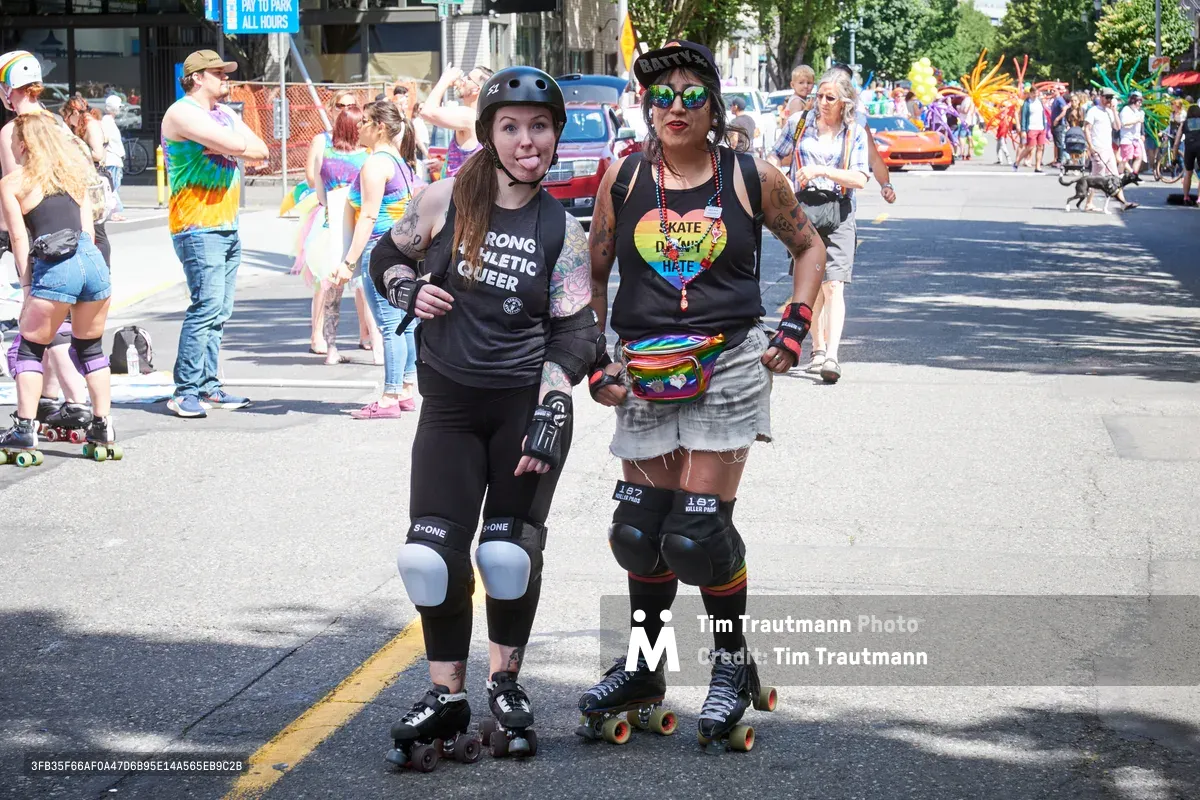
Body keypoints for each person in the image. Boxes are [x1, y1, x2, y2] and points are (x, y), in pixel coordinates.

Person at [579, 40, 826, 749]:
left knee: (694, 532)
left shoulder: (750, 175)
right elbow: (592, 275)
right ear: (646, 107)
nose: (675, 107)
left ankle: (728, 665)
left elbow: (807, 247)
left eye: (691, 94)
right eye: (662, 96)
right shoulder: (623, 179)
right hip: (642, 371)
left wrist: (796, 322)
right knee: (639, 533)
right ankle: (645, 670)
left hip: (728, 365)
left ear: (714, 106)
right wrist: (597, 358)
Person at [367, 66, 595, 760]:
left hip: (524, 411)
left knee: (504, 554)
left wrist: (553, 408)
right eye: (512, 126)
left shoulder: (563, 230)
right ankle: (445, 692)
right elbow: (385, 257)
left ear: (555, 136)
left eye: (540, 126)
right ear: (490, 135)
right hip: (449, 409)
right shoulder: (442, 202)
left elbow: (578, 332)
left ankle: (504, 683)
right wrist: (408, 289)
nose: (528, 140)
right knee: (428, 558)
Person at [0, 113, 117, 461]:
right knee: (90, 348)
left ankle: (24, 429)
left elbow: (19, 238)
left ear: (22, 144)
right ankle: (103, 425)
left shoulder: (13, 182)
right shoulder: (74, 176)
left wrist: (26, 288)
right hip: (92, 263)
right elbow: (90, 234)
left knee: (31, 348)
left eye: (13, 142)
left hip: (56, 266)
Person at [160, 49, 269, 418]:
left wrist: (227, 142)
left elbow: (261, 150)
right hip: (197, 225)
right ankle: (185, 389)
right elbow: (240, 147)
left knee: (220, 311)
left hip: (226, 224)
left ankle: (208, 385)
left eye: (226, 72)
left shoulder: (222, 114)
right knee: (205, 307)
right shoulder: (181, 113)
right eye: (218, 73)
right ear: (196, 78)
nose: (226, 78)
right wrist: (232, 144)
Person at [1, 51, 96, 430]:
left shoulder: (15, 131)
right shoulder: (56, 122)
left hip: (43, 237)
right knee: (66, 320)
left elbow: (17, 195)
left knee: (42, 320)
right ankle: (50, 398)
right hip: (79, 229)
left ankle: (76, 400)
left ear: (8, 89)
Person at [771, 68, 869, 384]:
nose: (822, 102)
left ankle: (832, 356)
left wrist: (819, 170)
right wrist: (781, 180)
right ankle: (817, 349)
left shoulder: (855, 133)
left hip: (839, 211)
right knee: (811, 284)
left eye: (830, 98)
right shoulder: (798, 124)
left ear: (844, 102)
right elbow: (775, 156)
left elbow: (859, 178)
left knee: (834, 284)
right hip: (803, 213)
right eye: (819, 96)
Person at [329, 101, 424, 418]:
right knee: (405, 323)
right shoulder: (399, 161)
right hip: (403, 250)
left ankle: (389, 397)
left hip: (379, 251)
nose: (358, 126)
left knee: (391, 325)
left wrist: (348, 262)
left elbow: (368, 216)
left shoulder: (375, 164)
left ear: (380, 127)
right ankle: (406, 388)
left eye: (365, 121)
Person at [298, 93, 374, 358]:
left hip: (342, 215)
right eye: (340, 105)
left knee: (353, 283)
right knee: (329, 280)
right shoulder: (323, 140)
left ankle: (360, 336)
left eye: (351, 106)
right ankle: (318, 335)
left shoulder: (367, 146)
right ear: (331, 109)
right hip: (333, 217)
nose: (345, 110)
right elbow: (311, 176)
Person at [419, 64, 494, 178]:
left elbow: (427, 112)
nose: (463, 79)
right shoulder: (479, 116)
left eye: (468, 78)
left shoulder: (469, 115)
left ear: (476, 89)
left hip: (458, 193)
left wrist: (445, 79)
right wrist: (443, 165)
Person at [1083, 87, 1136, 211]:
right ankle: (1089, 203)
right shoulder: (1093, 111)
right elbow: (1087, 129)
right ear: (1101, 97)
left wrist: (1115, 111)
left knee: (1115, 176)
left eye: (1111, 98)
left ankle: (1123, 203)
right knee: (1096, 177)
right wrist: (1090, 146)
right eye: (1107, 97)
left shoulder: (1110, 112)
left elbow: (1118, 127)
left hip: (1108, 149)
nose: (1109, 100)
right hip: (1098, 148)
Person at [100, 96, 127, 222]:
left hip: (114, 158)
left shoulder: (108, 121)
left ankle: (113, 211)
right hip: (112, 158)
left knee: (113, 185)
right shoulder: (107, 121)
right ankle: (114, 211)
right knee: (113, 186)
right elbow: (107, 140)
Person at [1016, 89, 1050, 172]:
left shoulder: (1039, 102)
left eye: (1036, 93)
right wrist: (1023, 130)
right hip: (1031, 127)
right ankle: (1017, 162)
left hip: (1041, 127)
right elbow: (1023, 117)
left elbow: (1042, 114)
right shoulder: (1027, 103)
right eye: (1033, 93)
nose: (1035, 95)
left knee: (1040, 147)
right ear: (1030, 94)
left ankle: (1037, 166)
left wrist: (1044, 126)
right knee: (1030, 147)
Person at [1173, 104, 1200, 206]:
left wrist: (1174, 158)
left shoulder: (1184, 124)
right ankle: (1199, 199)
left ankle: (1186, 197)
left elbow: (1176, 143)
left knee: (1188, 174)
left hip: (1189, 149)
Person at [1118, 91, 1146, 175]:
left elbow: (1141, 123)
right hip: (1127, 138)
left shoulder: (1138, 111)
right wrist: (1136, 120)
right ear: (1133, 100)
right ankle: (1119, 174)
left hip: (1136, 138)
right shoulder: (1126, 110)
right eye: (1139, 102)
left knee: (1139, 157)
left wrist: (1142, 133)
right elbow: (1124, 123)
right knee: (1126, 158)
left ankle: (1134, 174)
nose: (1140, 104)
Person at [1049, 86, 1070, 169]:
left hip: (1059, 124)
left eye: (1054, 90)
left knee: (1059, 143)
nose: (1052, 92)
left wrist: (1057, 119)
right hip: (1055, 124)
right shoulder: (1055, 100)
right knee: (1056, 143)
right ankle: (1057, 159)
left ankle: (1060, 161)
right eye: (1051, 90)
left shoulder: (1059, 99)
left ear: (1058, 91)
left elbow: (1064, 109)